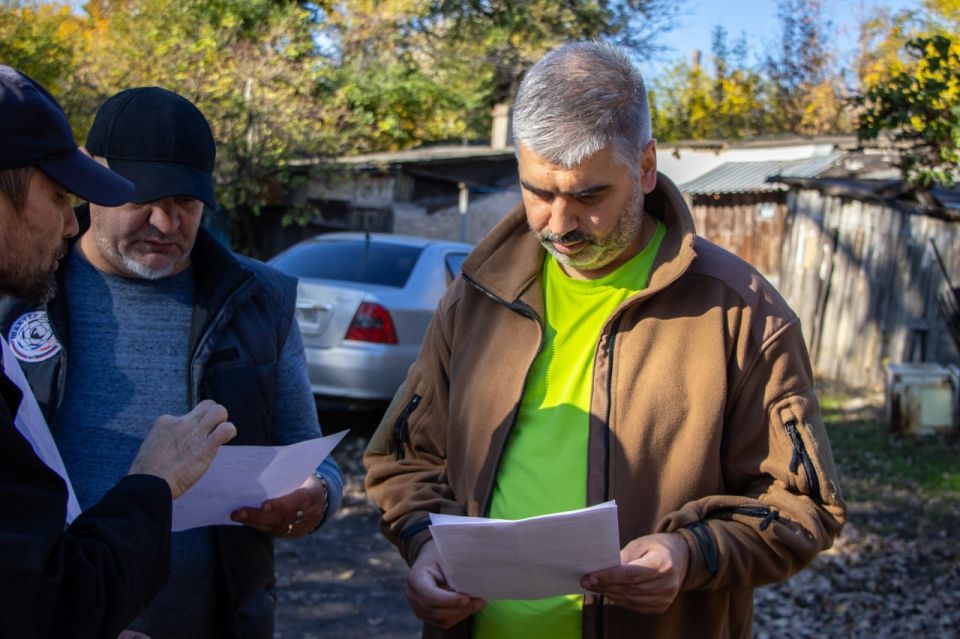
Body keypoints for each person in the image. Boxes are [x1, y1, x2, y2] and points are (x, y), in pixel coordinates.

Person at [364, 41, 847, 639]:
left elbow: (802, 503)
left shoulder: (741, 309)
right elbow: (405, 458)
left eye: (589, 196)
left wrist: (691, 553)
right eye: (538, 191)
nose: (559, 224)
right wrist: (425, 544)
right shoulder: (477, 294)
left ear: (645, 168)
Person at [0, 85, 344, 638]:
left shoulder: (259, 299)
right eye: (143, 199)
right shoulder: (19, 284)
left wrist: (314, 496)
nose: (165, 223)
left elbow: (313, 454)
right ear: (91, 186)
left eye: (185, 203)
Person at [0, 66, 237, 639]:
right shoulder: (25, 306)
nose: (67, 223)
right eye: (59, 196)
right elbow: (44, 604)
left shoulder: (253, 297)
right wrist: (152, 480)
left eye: (185, 201)